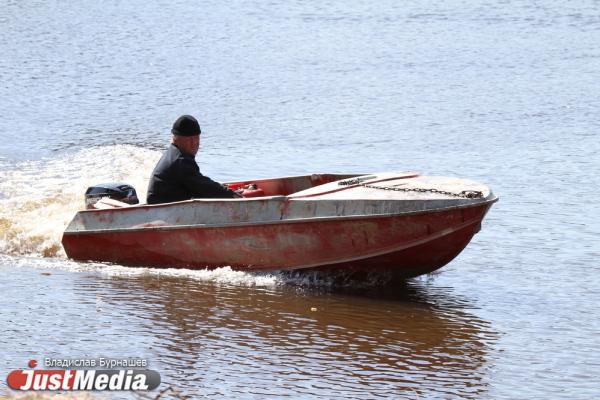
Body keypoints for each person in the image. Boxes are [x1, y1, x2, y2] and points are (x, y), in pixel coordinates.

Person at [146, 115, 240, 204]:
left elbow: (199, 182)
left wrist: (223, 189)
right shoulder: (181, 160)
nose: (194, 143)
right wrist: (231, 195)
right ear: (176, 139)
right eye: (189, 139)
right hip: (162, 210)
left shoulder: (174, 153)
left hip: (166, 206)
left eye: (197, 138)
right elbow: (202, 186)